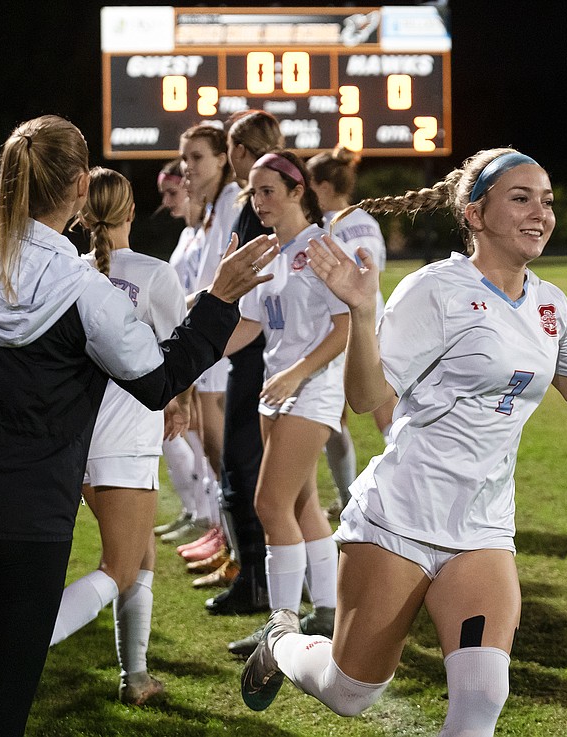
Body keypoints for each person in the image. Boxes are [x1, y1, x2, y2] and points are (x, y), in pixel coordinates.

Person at [240, 148, 567, 735]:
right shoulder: (435, 289)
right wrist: (360, 313)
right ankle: (280, 644)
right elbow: (365, 395)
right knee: (350, 692)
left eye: (547, 200)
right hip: (399, 518)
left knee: (482, 697)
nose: (542, 212)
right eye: (521, 197)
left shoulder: (550, 302)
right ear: (475, 215)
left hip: (482, 528)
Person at [0, 114, 278, 736]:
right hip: (23, 523)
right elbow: (158, 380)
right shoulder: (84, 287)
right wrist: (217, 302)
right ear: (80, 186)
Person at [48, 167, 190, 705]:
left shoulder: (67, 272)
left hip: (74, 441)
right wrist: (178, 402)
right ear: (131, 211)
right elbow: (179, 361)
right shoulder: (156, 274)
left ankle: (136, 678)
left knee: (140, 554)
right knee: (121, 565)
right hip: (125, 442)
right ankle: (26, 642)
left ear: (85, 217)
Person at [222, 149, 351, 657]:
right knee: (301, 504)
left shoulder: (322, 248)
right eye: (253, 192)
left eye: (268, 190)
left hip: (311, 388)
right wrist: (192, 348)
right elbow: (252, 324)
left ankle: (281, 627)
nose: (258, 201)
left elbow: (346, 328)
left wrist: (298, 373)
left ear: (300, 191)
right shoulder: (271, 251)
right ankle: (326, 611)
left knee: (268, 504)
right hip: (277, 388)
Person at [203, 110, 284, 616]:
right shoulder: (251, 204)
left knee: (247, 468)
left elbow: (258, 297)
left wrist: (205, 343)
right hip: (252, 350)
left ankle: (260, 581)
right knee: (245, 469)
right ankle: (256, 576)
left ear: (240, 149)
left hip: (258, 352)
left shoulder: (261, 208)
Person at [306, 146, 396, 519]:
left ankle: (349, 499)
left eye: (309, 185)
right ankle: (396, 496)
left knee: (335, 417)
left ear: (323, 186)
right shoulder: (366, 219)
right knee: (387, 413)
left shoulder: (324, 226)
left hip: (342, 324)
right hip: (378, 319)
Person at [169, 124, 244, 549]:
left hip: (226, 337)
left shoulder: (233, 202)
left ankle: (242, 555)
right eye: (184, 159)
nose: (187, 167)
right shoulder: (216, 207)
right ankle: (230, 544)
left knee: (223, 454)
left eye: (196, 157)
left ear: (222, 158)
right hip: (209, 333)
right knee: (216, 455)